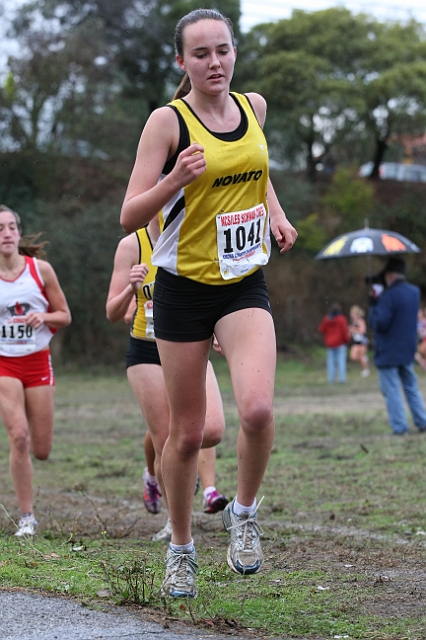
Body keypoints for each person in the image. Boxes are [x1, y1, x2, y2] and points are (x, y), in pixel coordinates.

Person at [120, 8, 297, 598]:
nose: (214, 62)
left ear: (234, 53)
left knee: (257, 411)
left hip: (243, 282)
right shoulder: (167, 124)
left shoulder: (255, 108)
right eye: (201, 54)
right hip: (183, 289)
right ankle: (180, 547)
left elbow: (252, 165)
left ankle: (243, 515)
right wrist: (176, 180)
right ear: (182, 62)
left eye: (222, 50)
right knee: (188, 436)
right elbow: (129, 214)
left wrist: (273, 211)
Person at [105, 218, 229, 541]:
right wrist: (130, 291)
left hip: (189, 345)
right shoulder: (132, 246)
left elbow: (211, 294)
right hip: (147, 352)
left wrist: (218, 329)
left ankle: (158, 473)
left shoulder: (193, 233)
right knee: (167, 443)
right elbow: (112, 311)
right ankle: (176, 525)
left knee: (210, 430)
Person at [0, 205, 71, 536]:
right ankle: (27, 517)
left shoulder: (40, 270)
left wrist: (43, 317)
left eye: (12, 227)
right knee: (19, 437)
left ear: (18, 232)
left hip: (38, 360)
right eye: (1, 228)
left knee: (41, 450)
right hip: (4, 364)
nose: (7, 233)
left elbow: (65, 315)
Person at [368, 256, 426, 435]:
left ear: (390, 275)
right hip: (407, 348)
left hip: (388, 351)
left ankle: (400, 427)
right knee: (411, 387)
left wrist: (374, 304)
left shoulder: (389, 295)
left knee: (391, 389)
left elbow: (380, 323)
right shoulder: (414, 292)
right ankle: (422, 421)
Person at [318, 303, 349, 384]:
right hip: (340, 343)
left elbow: (321, 329)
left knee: (331, 363)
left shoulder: (327, 319)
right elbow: (344, 331)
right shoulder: (341, 319)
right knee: (341, 361)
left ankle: (331, 380)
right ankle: (342, 379)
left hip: (330, 344)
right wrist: (346, 340)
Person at [348, 305, 370, 377]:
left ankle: (366, 370)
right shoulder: (352, 322)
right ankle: (365, 359)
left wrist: (353, 329)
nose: (351, 314)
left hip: (362, 341)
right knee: (353, 357)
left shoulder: (361, 321)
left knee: (361, 356)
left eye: (352, 313)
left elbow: (362, 331)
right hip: (355, 342)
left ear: (356, 313)